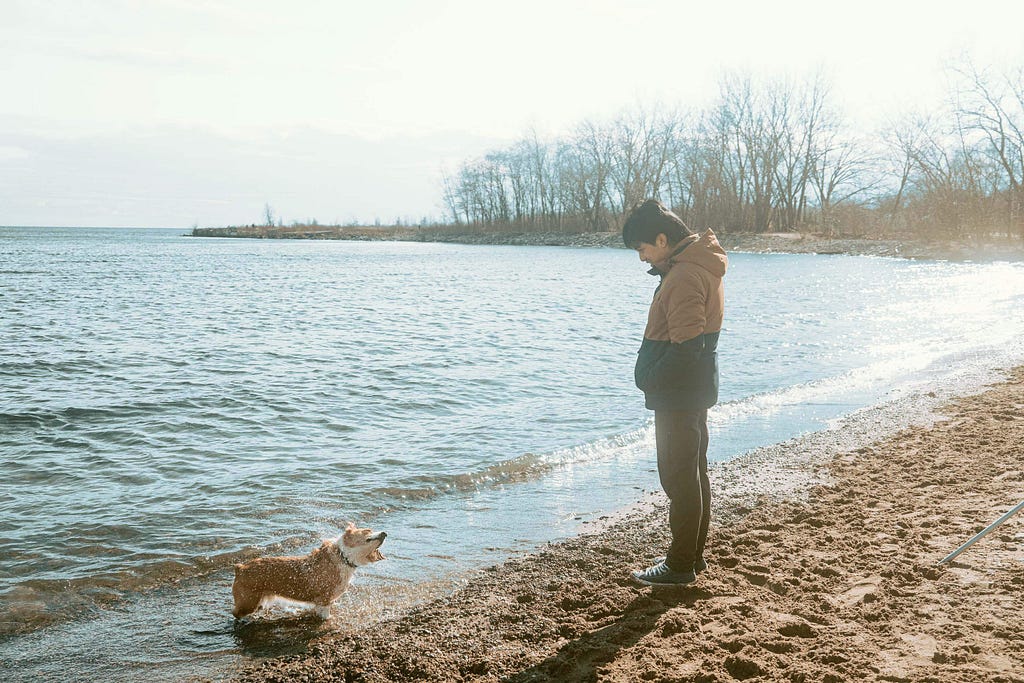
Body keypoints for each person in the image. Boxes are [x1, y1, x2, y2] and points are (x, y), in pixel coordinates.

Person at [622, 199, 728, 586]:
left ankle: (681, 564)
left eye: (643, 249)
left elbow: (686, 347)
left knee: (679, 477)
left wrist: (650, 378)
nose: (642, 258)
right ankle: (691, 557)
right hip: (694, 388)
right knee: (693, 474)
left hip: (681, 392)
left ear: (662, 239)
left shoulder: (684, 275)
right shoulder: (698, 264)